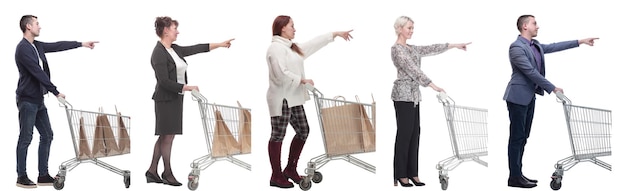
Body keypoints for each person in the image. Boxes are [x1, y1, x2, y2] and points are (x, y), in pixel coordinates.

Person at [503, 14, 598, 188]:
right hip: (517, 97)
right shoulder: (516, 47)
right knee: (517, 138)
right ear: (525, 26)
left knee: (523, 137)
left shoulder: (535, 45)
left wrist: (580, 41)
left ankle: (518, 174)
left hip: (529, 96)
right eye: (534, 23)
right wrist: (553, 88)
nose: (537, 26)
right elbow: (530, 72)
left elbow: (555, 46)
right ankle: (514, 177)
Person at [265, 15, 353, 188]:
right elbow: (279, 72)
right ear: (283, 28)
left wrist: (334, 34)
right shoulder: (275, 48)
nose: (294, 29)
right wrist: (302, 80)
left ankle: (290, 169)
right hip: (281, 98)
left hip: (294, 97)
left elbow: (312, 44)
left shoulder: (291, 48)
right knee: (277, 135)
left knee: (303, 130)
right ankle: (276, 175)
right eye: (292, 26)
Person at [146, 16, 234, 187]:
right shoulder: (158, 52)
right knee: (168, 137)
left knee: (165, 135)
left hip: (176, 99)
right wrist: (186, 87)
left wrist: (220, 44)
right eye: (174, 28)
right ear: (165, 31)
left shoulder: (174, 49)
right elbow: (163, 81)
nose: (177, 31)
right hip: (165, 100)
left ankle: (151, 171)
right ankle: (167, 173)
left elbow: (197, 48)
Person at [14, 14, 98, 189]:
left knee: (47, 135)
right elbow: (37, 72)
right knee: (26, 138)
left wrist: (81, 44)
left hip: (38, 100)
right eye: (37, 24)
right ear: (28, 26)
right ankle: (21, 176)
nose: (40, 26)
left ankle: (43, 175)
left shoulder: (36, 46)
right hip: (27, 100)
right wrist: (56, 91)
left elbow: (58, 45)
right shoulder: (22, 49)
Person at [390, 15, 470, 187]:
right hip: (402, 96)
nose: (411, 31)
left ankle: (413, 173)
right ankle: (400, 174)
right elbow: (413, 70)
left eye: (412, 28)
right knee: (404, 135)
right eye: (409, 28)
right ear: (399, 29)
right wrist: (432, 85)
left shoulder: (412, 48)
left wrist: (453, 46)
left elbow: (431, 48)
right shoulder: (397, 49)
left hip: (414, 97)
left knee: (415, 134)